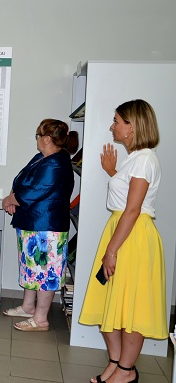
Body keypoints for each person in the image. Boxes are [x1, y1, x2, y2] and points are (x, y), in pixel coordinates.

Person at [79, 100, 165, 383]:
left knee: (131, 306)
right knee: (110, 300)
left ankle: (126, 371)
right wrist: (112, 173)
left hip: (132, 236)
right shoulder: (137, 158)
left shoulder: (144, 159)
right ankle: (116, 364)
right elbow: (129, 198)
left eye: (116, 121)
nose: (112, 126)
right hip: (124, 231)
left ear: (132, 127)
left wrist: (111, 251)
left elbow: (133, 209)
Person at [1, 119, 77, 332]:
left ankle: (41, 319)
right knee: (31, 267)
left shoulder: (56, 163)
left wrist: (10, 200)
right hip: (33, 223)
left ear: (47, 138)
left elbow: (35, 190)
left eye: (38, 135)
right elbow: (21, 181)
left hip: (47, 227)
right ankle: (28, 306)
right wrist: (12, 195)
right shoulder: (42, 158)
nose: (36, 139)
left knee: (45, 272)